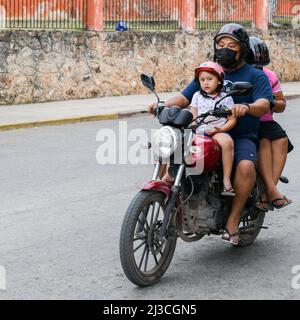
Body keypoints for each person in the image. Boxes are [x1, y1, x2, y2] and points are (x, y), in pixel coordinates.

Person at [148, 23, 274, 246]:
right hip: (204, 130)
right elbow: (185, 96)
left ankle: (233, 220)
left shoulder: (256, 75)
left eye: (231, 45)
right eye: (220, 44)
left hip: (240, 135)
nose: (224, 49)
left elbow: (265, 103)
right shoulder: (210, 72)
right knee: (174, 145)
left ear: (242, 48)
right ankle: (172, 191)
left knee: (245, 167)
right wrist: (161, 105)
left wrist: (247, 107)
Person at [246, 36, 293, 211]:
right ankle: (272, 191)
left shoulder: (270, 76)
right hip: (248, 121)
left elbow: (282, 105)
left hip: (266, 121)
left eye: (260, 67)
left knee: (282, 141)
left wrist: (269, 100)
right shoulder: (236, 74)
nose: (256, 71)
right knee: (264, 142)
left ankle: (267, 192)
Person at [190, 61, 236, 196]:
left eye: (210, 79)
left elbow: (232, 119)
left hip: (217, 131)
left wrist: (220, 130)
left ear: (219, 81)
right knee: (177, 142)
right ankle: (170, 177)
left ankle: (226, 180)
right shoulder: (196, 96)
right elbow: (193, 116)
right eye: (202, 80)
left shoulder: (225, 98)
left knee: (227, 142)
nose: (206, 83)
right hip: (199, 130)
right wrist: (192, 127)